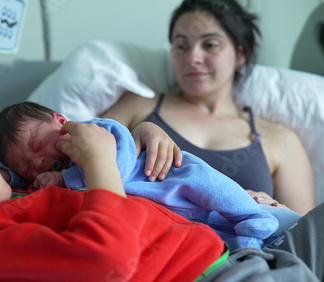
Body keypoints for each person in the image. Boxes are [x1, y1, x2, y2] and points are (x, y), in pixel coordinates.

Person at [0, 97, 322, 281]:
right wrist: (102, 163)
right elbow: (106, 259)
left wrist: (142, 135)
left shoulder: (1, 203)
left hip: (234, 254)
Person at [0, 101, 307, 250]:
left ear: (61, 120)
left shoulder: (96, 131)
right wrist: (18, 177)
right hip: (177, 219)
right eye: (31, 165)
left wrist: (64, 179)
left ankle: (252, 217)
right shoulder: (54, 181)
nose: (42, 160)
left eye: (37, 145)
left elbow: (118, 163)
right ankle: (246, 244)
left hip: (177, 180)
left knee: (217, 191)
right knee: (211, 234)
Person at [101, 0, 315, 215]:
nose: (193, 58)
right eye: (181, 46)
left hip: (242, 247)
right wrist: (130, 135)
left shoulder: (278, 139)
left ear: (241, 54)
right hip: (138, 236)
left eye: (210, 45)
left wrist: (275, 210)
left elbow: (305, 236)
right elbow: (79, 157)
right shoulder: (140, 105)